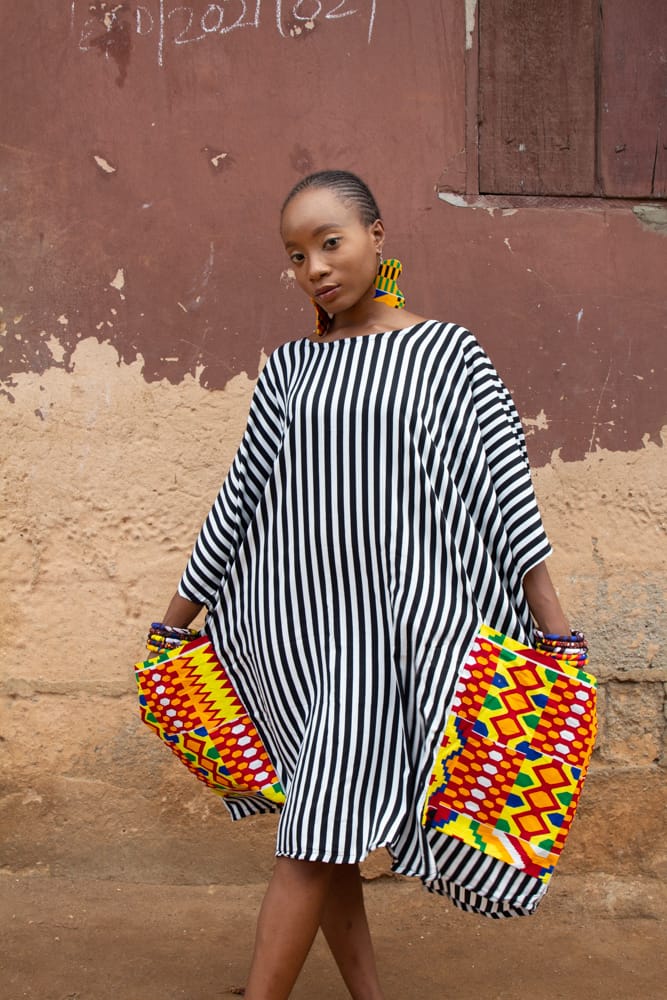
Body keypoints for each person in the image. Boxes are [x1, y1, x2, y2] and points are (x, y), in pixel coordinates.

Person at [153, 170, 576, 999]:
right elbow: (239, 498)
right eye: (295, 255)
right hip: (300, 641)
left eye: (330, 242)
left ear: (377, 238)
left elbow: (506, 498)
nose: (313, 267)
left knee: (311, 834)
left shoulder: (449, 355)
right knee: (327, 828)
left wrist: (553, 631)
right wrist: (176, 618)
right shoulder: (289, 371)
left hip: (400, 645)